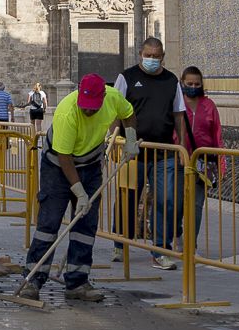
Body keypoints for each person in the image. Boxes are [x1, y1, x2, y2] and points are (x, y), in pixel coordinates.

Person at [16, 73, 136, 303]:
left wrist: (131, 138)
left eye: (93, 107)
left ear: (102, 98)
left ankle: (77, 282)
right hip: (58, 167)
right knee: (49, 223)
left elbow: (128, 114)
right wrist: (79, 192)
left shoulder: (113, 98)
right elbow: (64, 157)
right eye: (85, 106)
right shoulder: (67, 111)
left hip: (91, 165)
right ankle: (33, 279)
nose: (88, 111)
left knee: (85, 225)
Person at [116, 36, 190, 270]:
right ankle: (121, 243)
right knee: (127, 195)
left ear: (162, 57)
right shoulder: (126, 77)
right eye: (148, 55)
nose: (152, 60)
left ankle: (160, 248)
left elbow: (179, 115)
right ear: (141, 54)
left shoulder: (171, 81)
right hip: (132, 150)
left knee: (165, 200)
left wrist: (182, 148)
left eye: (156, 57)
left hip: (164, 151)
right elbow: (116, 112)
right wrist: (114, 141)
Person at [178, 66, 222, 253]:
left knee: (196, 205)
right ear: (182, 83)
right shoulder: (178, 104)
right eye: (190, 84)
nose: (193, 87)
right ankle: (177, 234)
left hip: (202, 163)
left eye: (197, 84)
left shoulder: (209, 105)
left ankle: (190, 243)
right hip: (179, 159)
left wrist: (221, 164)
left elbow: (217, 135)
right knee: (175, 202)